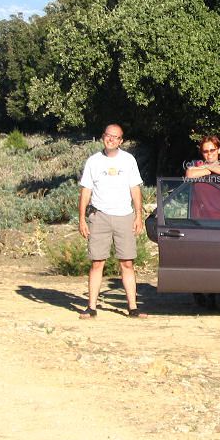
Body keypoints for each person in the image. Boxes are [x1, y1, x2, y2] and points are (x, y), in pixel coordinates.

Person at [78, 123, 146, 319]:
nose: (111, 139)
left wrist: (138, 216)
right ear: (103, 137)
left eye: (115, 137)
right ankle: (91, 307)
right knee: (97, 262)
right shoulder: (93, 161)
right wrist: (82, 219)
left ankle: (133, 307)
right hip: (99, 216)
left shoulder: (128, 160)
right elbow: (86, 191)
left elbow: (135, 189)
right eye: (108, 135)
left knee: (127, 263)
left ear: (120, 141)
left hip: (124, 216)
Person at [185, 135, 220, 220]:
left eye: (212, 150)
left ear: (218, 150)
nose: (209, 154)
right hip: (198, 220)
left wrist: (206, 167)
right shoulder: (196, 164)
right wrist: (212, 170)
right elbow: (189, 174)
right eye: (205, 151)